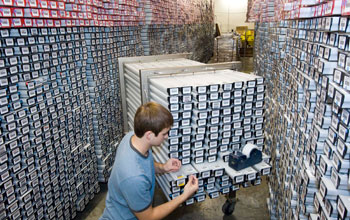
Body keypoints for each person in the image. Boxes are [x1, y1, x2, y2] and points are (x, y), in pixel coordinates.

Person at [100, 102, 199, 220]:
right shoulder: (134, 178)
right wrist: (184, 196)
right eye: (164, 133)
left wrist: (163, 167)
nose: (167, 136)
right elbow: (149, 217)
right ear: (149, 135)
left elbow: (143, 163)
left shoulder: (132, 138)